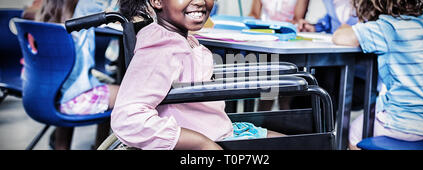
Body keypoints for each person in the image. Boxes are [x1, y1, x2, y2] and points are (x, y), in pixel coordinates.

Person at [111, 0, 284, 150]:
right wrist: (200, 144)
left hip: (219, 129)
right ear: (157, 1)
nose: (200, 1)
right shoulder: (163, 46)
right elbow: (127, 118)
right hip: (209, 138)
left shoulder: (180, 38)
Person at [332, 0, 423, 150]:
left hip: (404, 124)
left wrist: (352, 26)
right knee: (374, 112)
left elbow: (340, 38)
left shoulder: (387, 27)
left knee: (353, 131)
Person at [34, 0, 120, 150]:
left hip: (45, 96)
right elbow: (119, 12)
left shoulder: (50, 5)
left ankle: (61, 145)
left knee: (103, 83)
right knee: (128, 93)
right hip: (73, 100)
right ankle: (101, 146)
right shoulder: (89, 4)